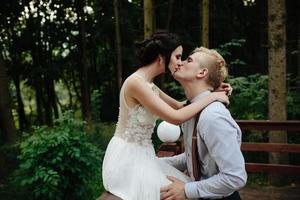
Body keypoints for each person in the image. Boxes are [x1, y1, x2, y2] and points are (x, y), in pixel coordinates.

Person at [102, 31, 231, 200]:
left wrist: (212, 90)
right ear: (162, 57)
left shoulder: (149, 85)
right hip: (127, 158)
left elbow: (181, 106)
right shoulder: (136, 83)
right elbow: (175, 117)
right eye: (177, 57)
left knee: (181, 189)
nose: (180, 63)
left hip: (144, 156)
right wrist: (213, 97)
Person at [160, 47, 247, 200]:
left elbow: (235, 177)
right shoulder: (190, 110)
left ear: (202, 72)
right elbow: (192, 158)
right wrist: (153, 163)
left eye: (189, 60)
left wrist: (187, 190)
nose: (180, 63)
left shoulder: (213, 117)